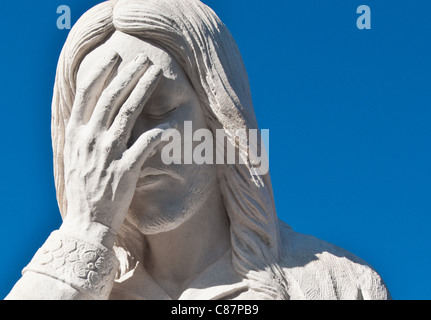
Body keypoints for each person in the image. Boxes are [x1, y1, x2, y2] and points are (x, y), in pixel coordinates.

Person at [6, 0, 390, 300]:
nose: (130, 146)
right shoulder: (82, 290)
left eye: (157, 109)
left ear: (219, 115)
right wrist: (83, 235)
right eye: (104, 123)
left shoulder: (340, 284)